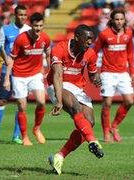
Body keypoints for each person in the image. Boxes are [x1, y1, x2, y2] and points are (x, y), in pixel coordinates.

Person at [47, 24, 104, 175]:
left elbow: (92, 74)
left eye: (92, 39)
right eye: (87, 39)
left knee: (89, 123)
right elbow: (57, 75)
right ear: (77, 37)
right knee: (75, 108)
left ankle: (58, 156)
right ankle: (93, 141)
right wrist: (59, 100)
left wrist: (96, 79)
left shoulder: (91, 53)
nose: (90, 42)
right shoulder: (59, 49)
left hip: (78, 88)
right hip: (57, 85)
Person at [6, 12, 50, 146]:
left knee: (42, 102)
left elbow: (48, 54)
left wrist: (49, 71)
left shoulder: (45, 38)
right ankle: (24, 137)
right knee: (22, 106)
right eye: (36, 26)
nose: (38, 28)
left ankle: (36, 128)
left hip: (35, 74)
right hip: (19, 76)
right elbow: (11, 59)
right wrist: (7, 78)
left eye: (41, 26)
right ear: (31, 25)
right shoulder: (21, 39)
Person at [0, 5, 31, 145]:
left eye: (25, 15)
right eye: (20, 14)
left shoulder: (29, 31)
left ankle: (17, 136)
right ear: (15, 15)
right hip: (7, 70)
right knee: (1, 101)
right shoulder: (5, 30)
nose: (23, 17)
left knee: (21, 104)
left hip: (23, 72)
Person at [94, 8, 134, 143]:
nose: (119, 22)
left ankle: (114, 126)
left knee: (129, 101)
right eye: (116, 19)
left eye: (121, 19)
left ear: (125, 20)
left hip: (123, 73)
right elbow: (94, 51)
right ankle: (106, 132)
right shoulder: (104, 34)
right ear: (112, 20)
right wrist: (94, 71)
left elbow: (130, 53)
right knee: (107, 103)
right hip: (107, 72)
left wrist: (133, 72)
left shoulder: (128, 33)